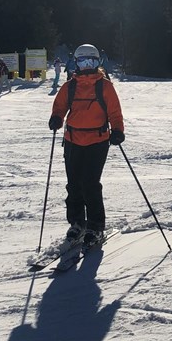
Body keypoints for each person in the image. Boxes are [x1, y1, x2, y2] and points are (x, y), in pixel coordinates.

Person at [48, 44, 124, 246]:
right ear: (76, 63)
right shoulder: (70, 86)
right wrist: (56, 118)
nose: (87, 65)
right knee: (74, 184)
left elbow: (115, 111)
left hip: (97, 141)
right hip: (73, 140)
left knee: (90, 184)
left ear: (97, 62)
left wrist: (118, 130)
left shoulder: (105, 86)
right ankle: (77, 223)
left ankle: (95, 226)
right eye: (83, 61)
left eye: (91, 61)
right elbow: (60, 106)